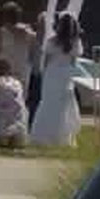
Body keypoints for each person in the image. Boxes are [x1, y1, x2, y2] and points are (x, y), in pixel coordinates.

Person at [30, 12, 82, 146]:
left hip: (52, 73)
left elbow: (46, 61)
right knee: (62, 105)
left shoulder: (52, 41)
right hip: (65, 74)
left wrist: (43, 73)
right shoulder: (75, 43)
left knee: (47, 102)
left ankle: (42, 134)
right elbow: (74, 62)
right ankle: (61, 136)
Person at [0, 1, 36, 95]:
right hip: (22, 72)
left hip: (5, 72)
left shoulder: (1, 32)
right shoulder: (28, 32)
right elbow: (33, 53)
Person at [27, 12, 46, 124]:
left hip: (46, 76)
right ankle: (32, 123)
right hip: (34, 74)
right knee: (33, 101)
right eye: (41, 23)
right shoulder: (33, 38)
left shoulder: (50, 40)